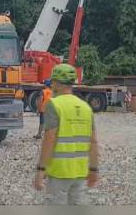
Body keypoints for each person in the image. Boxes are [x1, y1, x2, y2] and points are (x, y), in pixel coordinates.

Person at [33, 63, 99, 205]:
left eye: (53, 82)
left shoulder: (54, 105)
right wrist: (93, 169)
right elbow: (93, 142)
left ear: (56, 82)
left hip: (59, 172)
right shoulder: (86, 107)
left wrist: (41, 169)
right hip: (80, 172)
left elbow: (50, 139)